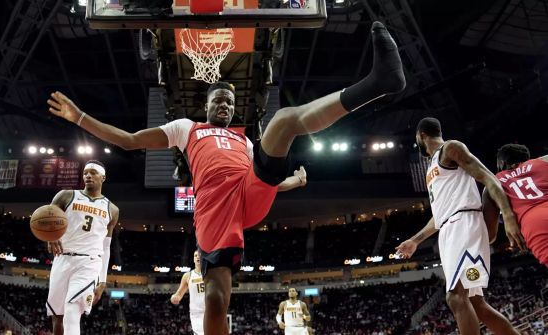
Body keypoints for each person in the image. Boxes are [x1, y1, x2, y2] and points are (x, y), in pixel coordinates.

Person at [48, 21, 406, 335]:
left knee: (281, 122)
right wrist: (81, 118)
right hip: (215, 208)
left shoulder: (244, 139)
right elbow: (128, 140)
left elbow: (263, 179)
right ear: (206, 105)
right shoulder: (186, 128)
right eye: (218, 100)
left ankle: (378, 83)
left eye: (229, 103)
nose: (225, 105)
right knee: (218, 300)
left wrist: (292, 184)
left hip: (249, 193)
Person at [395, 117, 524, 335]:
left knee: (455, 298)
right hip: (449, 228)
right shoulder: (432, 167)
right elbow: (439, 216)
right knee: (476, 304)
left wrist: (508, 216)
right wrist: (415, 240)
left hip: (463, 225)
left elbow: (489, 178)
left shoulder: (451, 148)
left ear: (421, 136)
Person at [45, 160, 119, 335]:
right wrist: (50, 235)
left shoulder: (112, 209)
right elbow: (47, 219)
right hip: (62, 259)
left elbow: (106, 247)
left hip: (89, 262)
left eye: (93, 172)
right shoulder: (65, 196)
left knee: (72, 308)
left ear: (103, 177)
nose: (88, 175)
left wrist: (102, 280)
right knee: (58, 316)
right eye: (85, 172)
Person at [482, 143, 547, 266]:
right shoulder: (543, 161)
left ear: (501, 163)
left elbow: (489, 236)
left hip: (535, 224)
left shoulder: (493, 183)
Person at [170, 250, 205, 334]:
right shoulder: (188, 276)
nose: (197, 257)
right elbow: (178, 294)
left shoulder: (211, 273)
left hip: (211, 311)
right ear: (193, 259)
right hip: (196, 313)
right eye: (195, 255)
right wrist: (174, 298)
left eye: (200, 255)